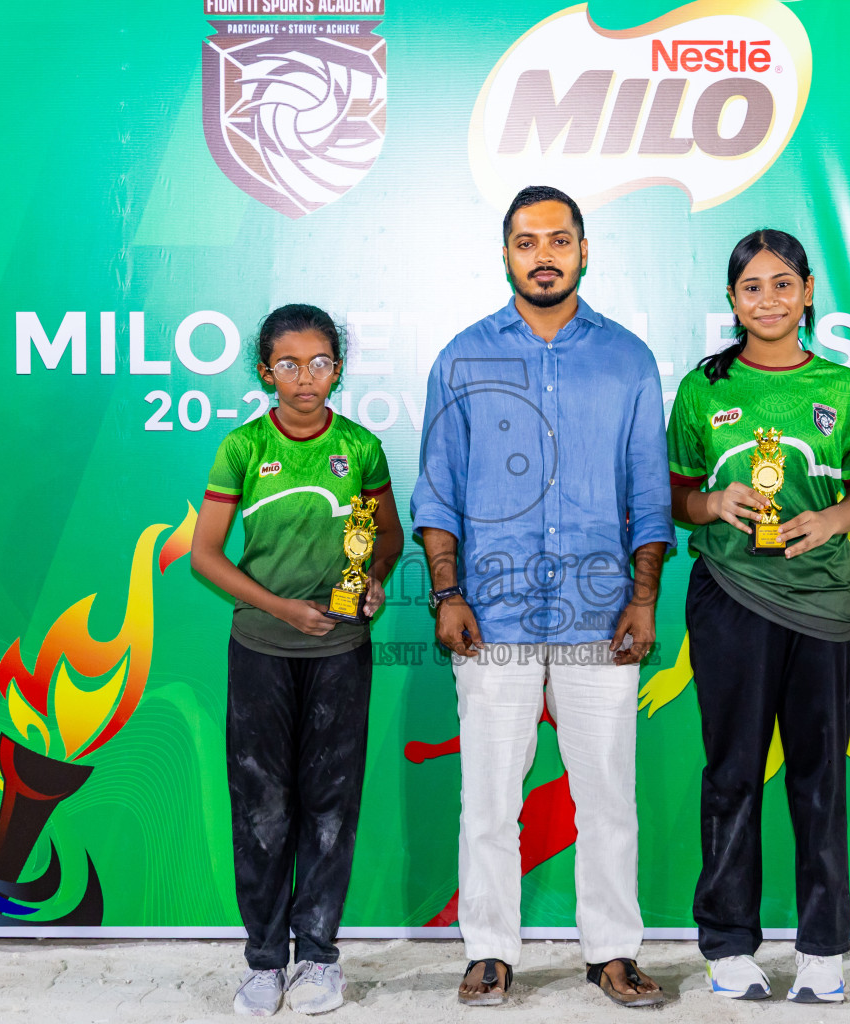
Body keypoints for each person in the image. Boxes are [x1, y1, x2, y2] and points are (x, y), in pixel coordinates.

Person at [411, 185, 674, 1007]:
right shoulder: (462, 357)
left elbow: (650, 493)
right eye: (527, 242)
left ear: (585, 251)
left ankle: (613, 952)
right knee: (489, 799)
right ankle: (489, 951)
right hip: (493, 616)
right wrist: (447, 594)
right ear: (506, 256)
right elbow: (437, 491)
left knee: (608, 796)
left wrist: (643, 599)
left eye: (560, 240)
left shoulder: (628, 360)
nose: (545, 256)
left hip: (602, 614)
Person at [667, 230, 850, 1004]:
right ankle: (728, 945)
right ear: (732, 300)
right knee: (732, 774)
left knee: (820, 778)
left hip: (824, 605)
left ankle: (823, 951)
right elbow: (676, 497)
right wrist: (713, 503)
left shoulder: (843, 388)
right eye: (752, 287)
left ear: (809, 291)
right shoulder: (704, 390)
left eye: (783, 284)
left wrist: (831, 521)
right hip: (730, 599)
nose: (768, 300)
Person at [190, 304, 403, 1017]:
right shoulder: (244, 448)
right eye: (289, 364)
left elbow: (385, 536)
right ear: (265, 372)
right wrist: (282, 609)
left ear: (337, 370)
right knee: (262, 807)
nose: (305, 377)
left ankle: (317, 957)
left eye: (319, 363)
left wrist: (372, 580)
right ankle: (263, 962)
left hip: (341, 650)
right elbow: (205, 556)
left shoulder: (360, 448)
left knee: (331, 806)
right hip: (261, 649)